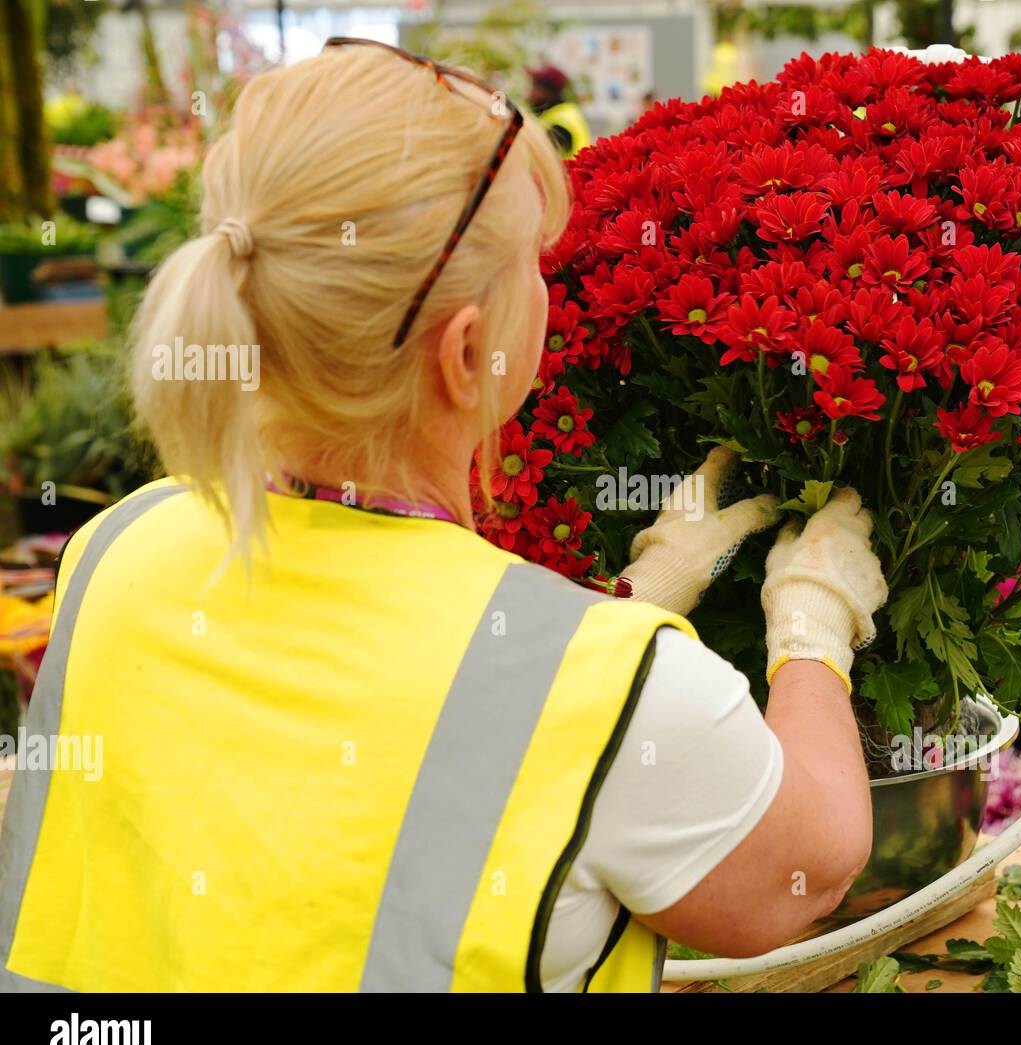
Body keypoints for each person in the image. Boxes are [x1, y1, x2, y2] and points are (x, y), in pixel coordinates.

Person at [0, 40, 886, 993]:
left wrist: (633, 597)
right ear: (466, 353)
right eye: (530, 266)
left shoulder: (116, 550)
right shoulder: (611, 693)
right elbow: (805, 871)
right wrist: (811, 630)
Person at [527, 64, 592, 159]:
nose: (529, 92)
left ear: (546, 92)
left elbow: (537, 156)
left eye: (533, 87)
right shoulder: (562, 112)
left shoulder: (562, 122)